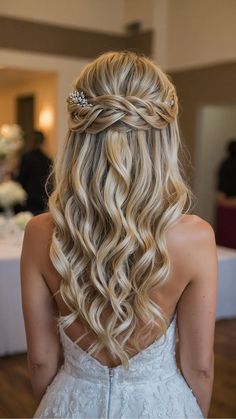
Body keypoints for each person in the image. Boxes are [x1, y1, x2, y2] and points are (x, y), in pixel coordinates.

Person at [20, 51, 218, 419]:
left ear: (78, 135)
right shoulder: (196, 237)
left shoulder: (39, 232)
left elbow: (40, 361)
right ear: (165, 137)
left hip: (71, 402)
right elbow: (200, 367)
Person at [16, 130, 52, 215]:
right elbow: (50, 182)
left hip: (29, 199)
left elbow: (21, 179)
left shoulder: (27, 157)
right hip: (43, 199)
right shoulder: (47, 159)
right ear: (43, 142)